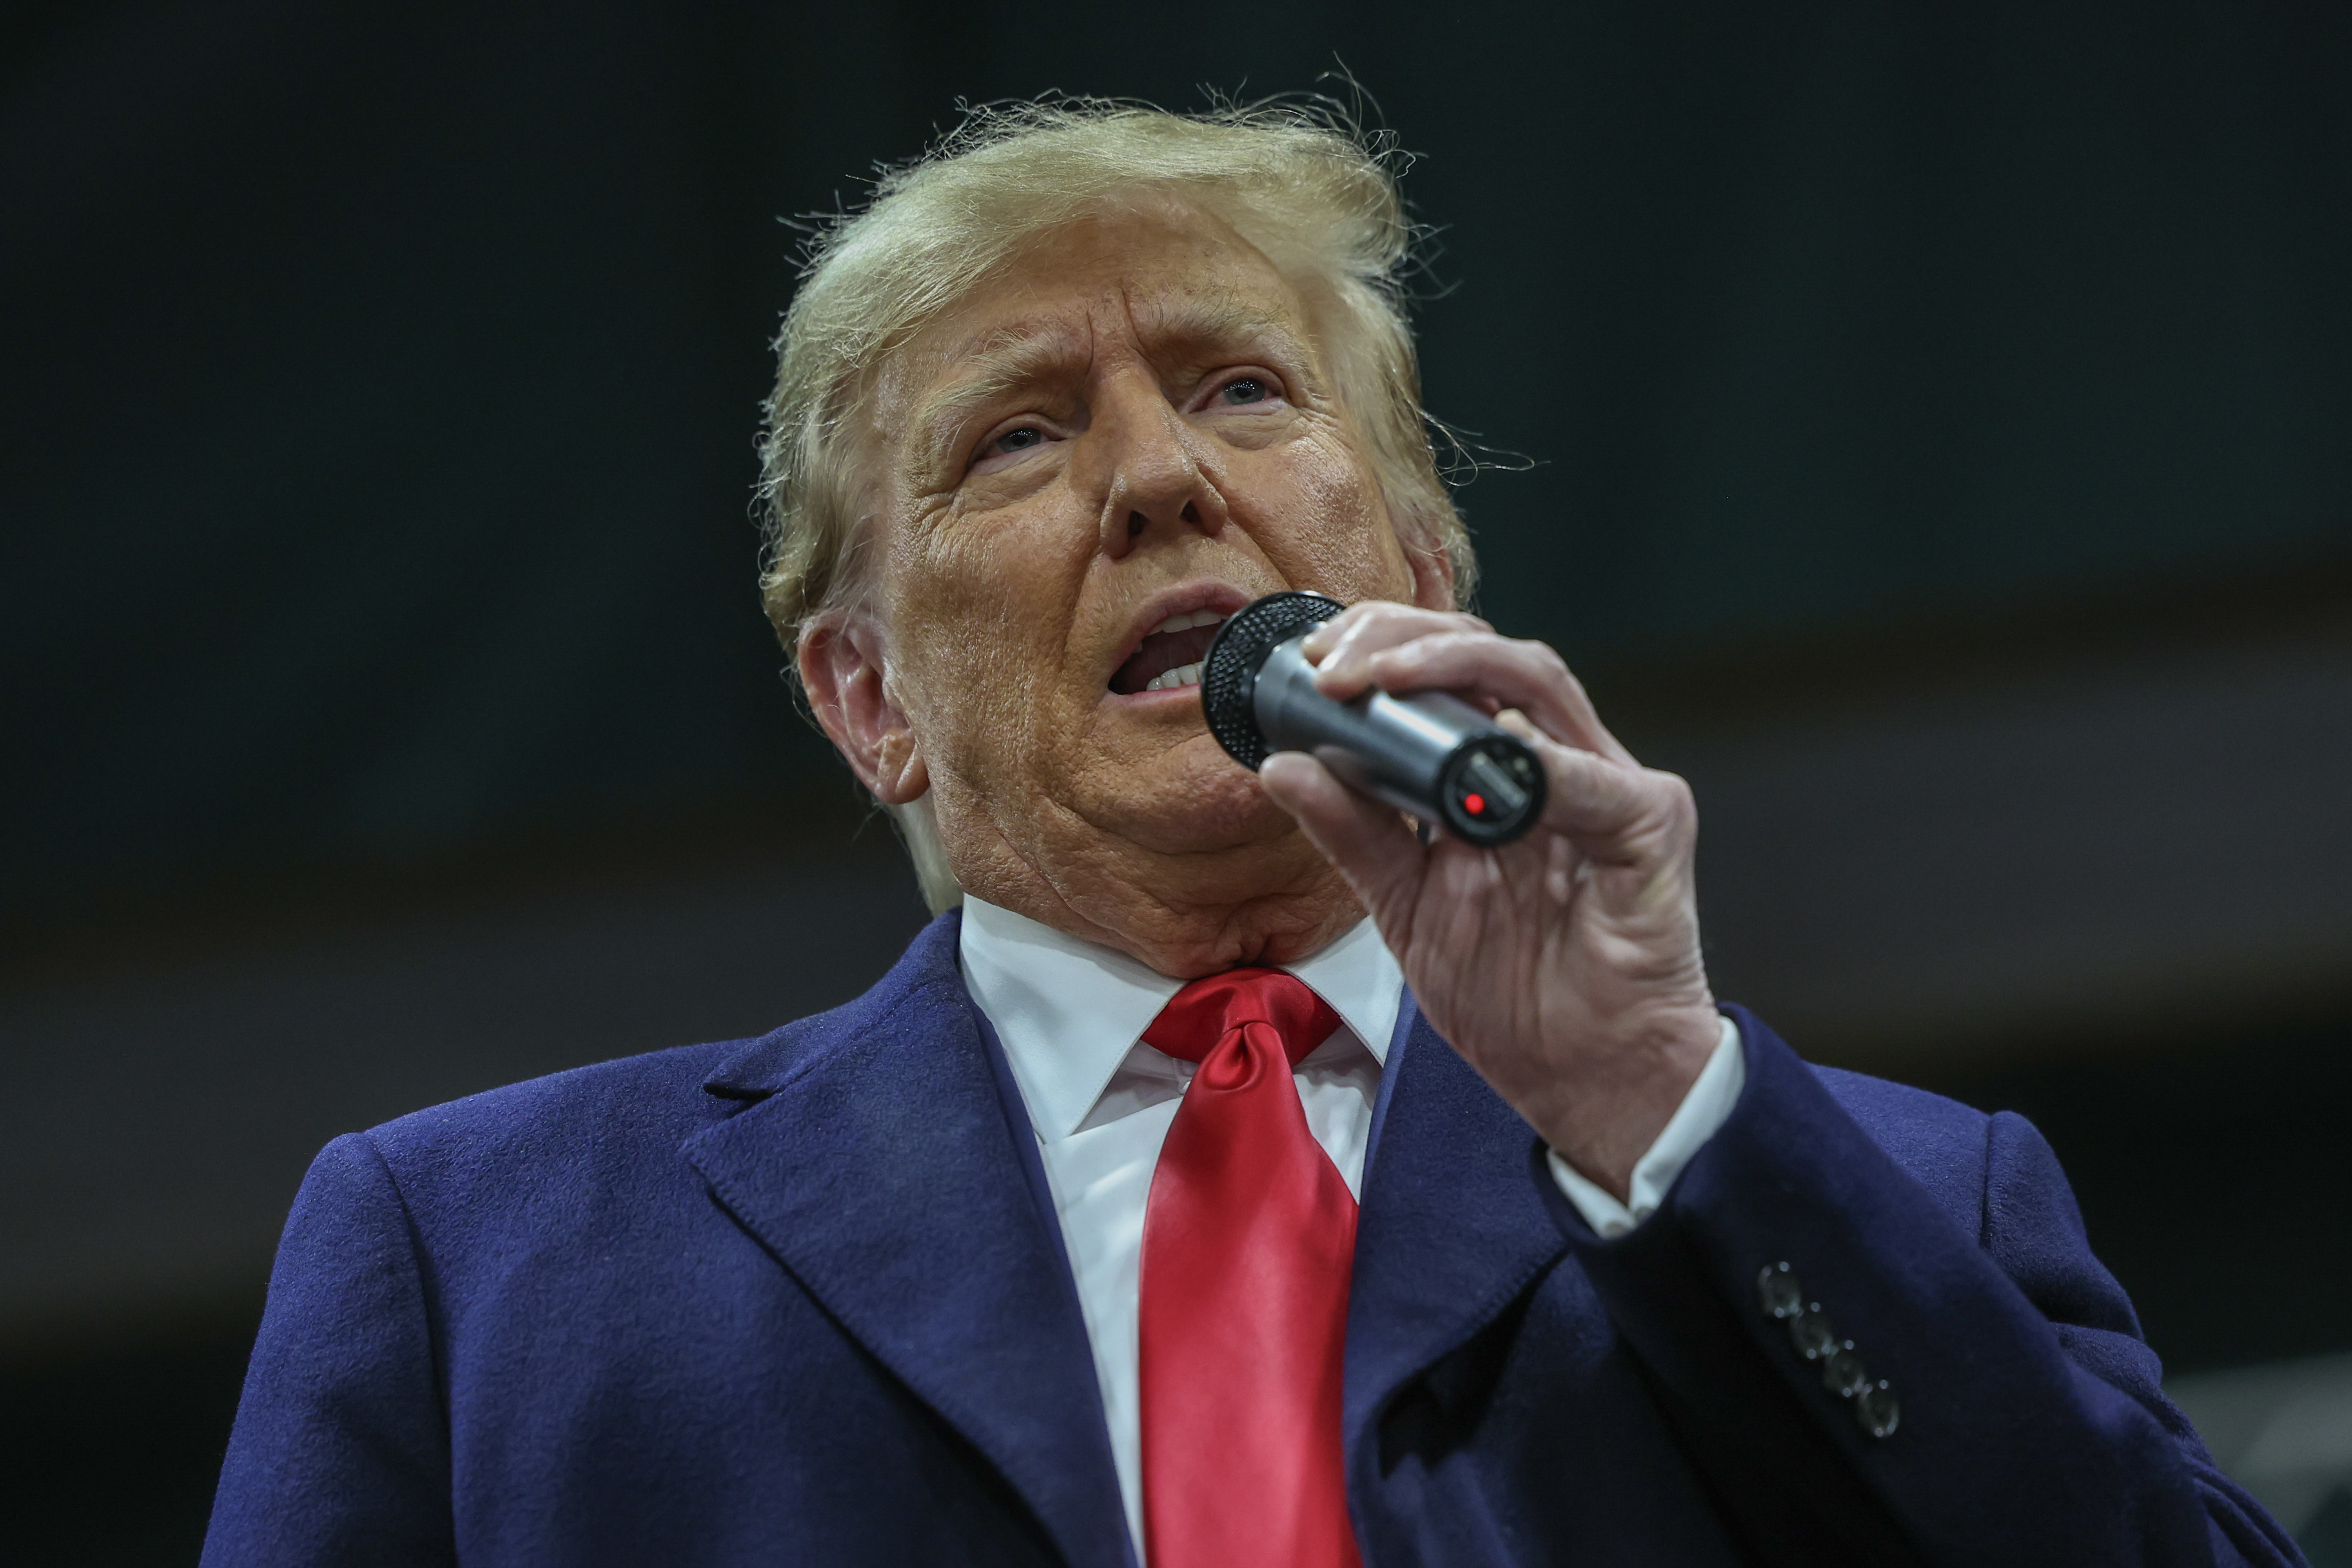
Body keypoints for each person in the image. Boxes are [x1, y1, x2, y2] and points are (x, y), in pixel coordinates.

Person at [203, 101, 2303, 1568]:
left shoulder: (1886, 1197)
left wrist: (1656, 1104)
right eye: (1019, 434)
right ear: (867, 703)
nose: (1155, 480)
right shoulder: (482, 1270)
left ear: (1421, 567)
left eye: (1243, 392)